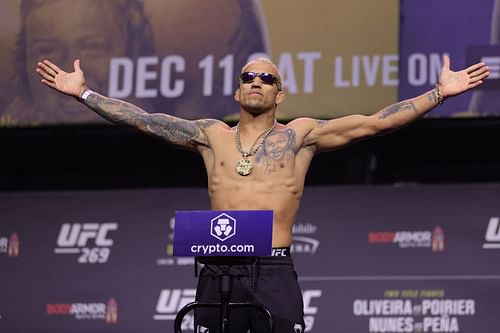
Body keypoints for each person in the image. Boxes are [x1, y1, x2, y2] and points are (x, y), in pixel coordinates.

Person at [36, 55, 489, 332]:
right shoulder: (209, 134)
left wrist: (439, 94)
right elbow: (142, 118)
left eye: (266, 78)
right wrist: (85, 94)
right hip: (217, 268)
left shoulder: (302, 135)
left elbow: (375, 122)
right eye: (248, 76)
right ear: (237, 89)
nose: (256, 81)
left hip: (273, 267)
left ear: (280, 94)